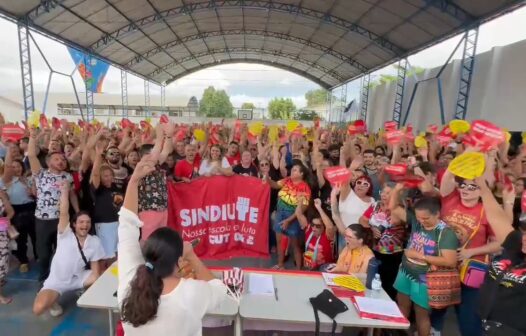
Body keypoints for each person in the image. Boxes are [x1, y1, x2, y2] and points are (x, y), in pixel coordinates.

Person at [117, 155, 229, 335]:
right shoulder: (190, 292)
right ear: (179, 260)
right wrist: (191, 256)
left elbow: (126, 225)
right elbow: (220, 290)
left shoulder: (129, 281)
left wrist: (135, 180)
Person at [435, 167, 502, 336]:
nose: (465, 189)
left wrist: (470, 252)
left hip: (471, 274)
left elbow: (500, 244)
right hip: (443, 270)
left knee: (469, 322)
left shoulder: (487, 211)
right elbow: (446, 179)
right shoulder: (450, 200)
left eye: (472, 187)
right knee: (435, 316)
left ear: (482, 191)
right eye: (463, 185)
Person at [33, 182, 104, 317]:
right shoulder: (65, 235)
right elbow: (64, 212)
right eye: (81, 222)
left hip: (77, 278)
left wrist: (95, 282)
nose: (85, 225)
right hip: (57, 282)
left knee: (97, 277)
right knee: (38, 309)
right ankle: (52, 301)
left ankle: (82, 291)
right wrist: (64, 192)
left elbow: (95, 269)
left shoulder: (94, 241)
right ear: (74, 225)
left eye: (88, 222)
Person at [392, 192, 458, 336]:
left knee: (421, 314)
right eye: (418, 217)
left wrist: (419, 256)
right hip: (405, 271)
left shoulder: (446, 233)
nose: (421, 221)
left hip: (425, 278)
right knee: (402, 306)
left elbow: (450, 261)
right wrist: (397, 188)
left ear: (437, 214)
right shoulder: (417, 223)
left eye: (426, 218)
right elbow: (393, 207)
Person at [28, 127, 79, 282]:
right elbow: (31, 155)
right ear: (48, 162)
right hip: (43, 221)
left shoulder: (68, 176)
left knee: (62, 251)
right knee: (43, 253)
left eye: (63, 160)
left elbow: (72, 195)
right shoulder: (40, 173)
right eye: (57, 159)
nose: (61, 161)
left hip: (62, 220)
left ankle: (60, 278)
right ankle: (44, 279)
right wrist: (32, 137)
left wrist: (77, 212)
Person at [476, 178, 526, 335]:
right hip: (487, 327)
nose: (524, 237)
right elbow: (497, 218)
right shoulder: (518, 246)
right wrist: (482, 186)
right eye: (524, 232)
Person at [360, 181, 407, 300]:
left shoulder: (399, 210)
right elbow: (362, 219)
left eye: (388, 193)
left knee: (387, 285)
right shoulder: (376, 205)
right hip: (374, 250)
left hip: (392, 254)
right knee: (371, 281)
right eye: (382, 192)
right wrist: (371, 228)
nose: (383, 195)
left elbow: (395, 222)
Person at [267, 163, 311, 270]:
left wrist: (288, 220)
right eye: (292, 169)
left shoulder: (305, 188)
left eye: (295, 170)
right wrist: (267, 179)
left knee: (295, 245)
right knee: (280, 242)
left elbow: (301, 209)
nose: (292, 170)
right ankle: (280, 265)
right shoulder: (287, 180)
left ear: (301, 174)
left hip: (293, 216)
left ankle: (298, 270)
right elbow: (275, 185)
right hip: (280, 213)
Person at [0, 148, 36, 273]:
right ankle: (23, 261)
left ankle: (38, 257)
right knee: (20, 239)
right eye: (13, 167)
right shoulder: (6, 182)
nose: (16, 169)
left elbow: (36, 194)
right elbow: (8, 166)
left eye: (19, 166)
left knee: (36, 236)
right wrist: (9, 149)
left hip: (31, 209)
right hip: (16, 211)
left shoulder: (28, 179)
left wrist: (32, 193)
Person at [90, 142, 123, 264]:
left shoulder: (117, 188)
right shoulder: (97, 189)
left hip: (117, 223)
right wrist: (98, 156)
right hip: (104, 225)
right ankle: (104, 278)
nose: (108, 178)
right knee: (107, 255)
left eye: (110, 175)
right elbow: (95, 173)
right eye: (105, 176)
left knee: (117, 253)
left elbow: (119, 205)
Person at [336, 172, 375, 253]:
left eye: (365, 184)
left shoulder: (372, 201)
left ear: (369, 188)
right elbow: (344, 180)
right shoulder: (347, 194)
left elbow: (371, 220)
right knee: (343, 262)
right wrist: (351, 170)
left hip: (361, 239)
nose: (361, 185)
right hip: (345, 235)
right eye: (359, 182)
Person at [296, 198, 336, 270]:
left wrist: (319, 208)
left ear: (324, 227)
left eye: (318, 226)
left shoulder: (328, 236)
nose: (314, 228)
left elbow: (330, 226)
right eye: (312, 224)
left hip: (324, 268)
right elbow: (298, 214)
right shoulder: (309, 230)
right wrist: (300, 201)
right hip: (309, 265)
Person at [0, 189, 15, 304]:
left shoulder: (1, 192)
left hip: (1, 233)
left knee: (2, 262)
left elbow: (10, 212)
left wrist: (3, 196)